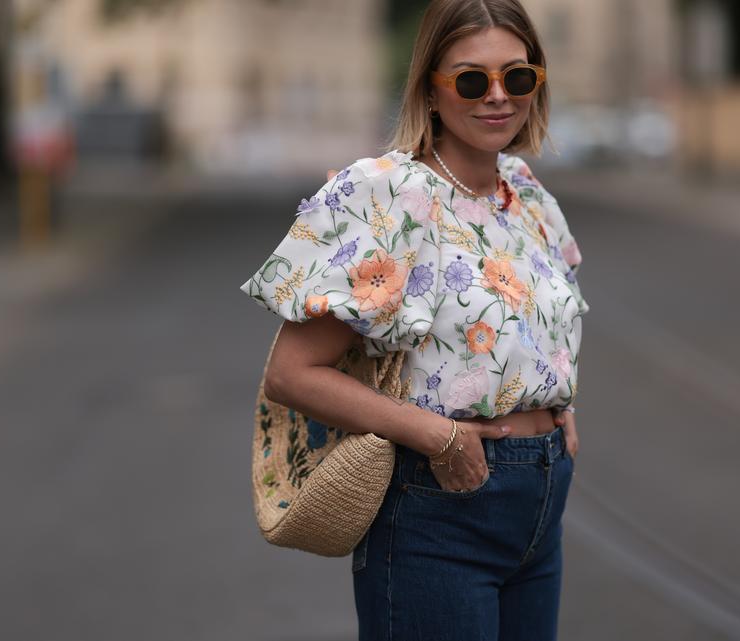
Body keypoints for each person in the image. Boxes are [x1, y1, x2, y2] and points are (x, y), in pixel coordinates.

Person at [239, 1, 587, 638]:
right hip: (439, 511)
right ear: (430, 89)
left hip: (542, 504)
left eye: (517, 76)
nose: (498, 96)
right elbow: (292, 374)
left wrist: (554, 405)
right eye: (472, 80)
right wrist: (438, 437)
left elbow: (539, 330)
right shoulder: (389, 193)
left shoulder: (527, 194)